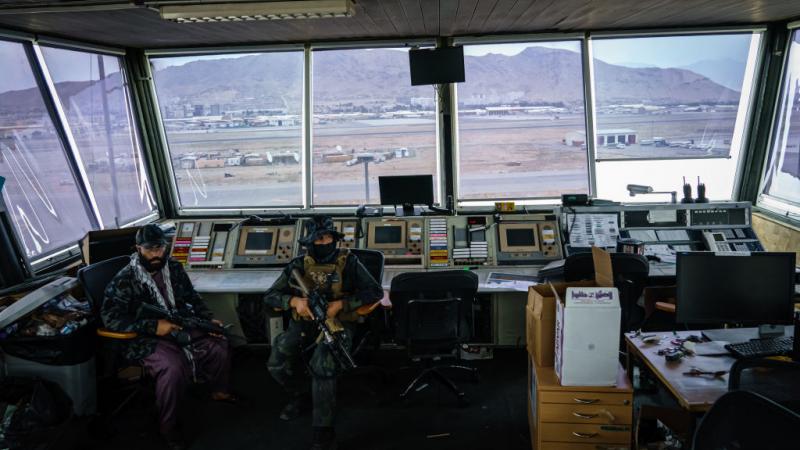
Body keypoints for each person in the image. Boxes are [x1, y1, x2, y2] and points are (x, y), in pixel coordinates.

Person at [101, 224, 236, 450]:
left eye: (160, 248)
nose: (156, 254)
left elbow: (192, 297)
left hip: (178, 324)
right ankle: (169, 427)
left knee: (218, 343)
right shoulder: (125, 280)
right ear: (138, 249)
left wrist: (207, 318)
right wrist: (153, 326)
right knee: (173, 366)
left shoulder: (173, 268)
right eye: (149, 250)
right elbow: (111, 318)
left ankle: (219, 391)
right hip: (143, 337)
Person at [264, 216, 383, 450]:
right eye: (318, 239)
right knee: (277, 360)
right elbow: (270, 296)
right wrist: (293, 301)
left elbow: (375, 291)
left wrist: (342, 305)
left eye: (328, 237)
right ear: (309, 242)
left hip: (338, 322)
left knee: (324, 363)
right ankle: (301, 393)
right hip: (305, 322)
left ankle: (323, 431)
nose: (324, 242)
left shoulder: (349, 262)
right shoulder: (298, 265)